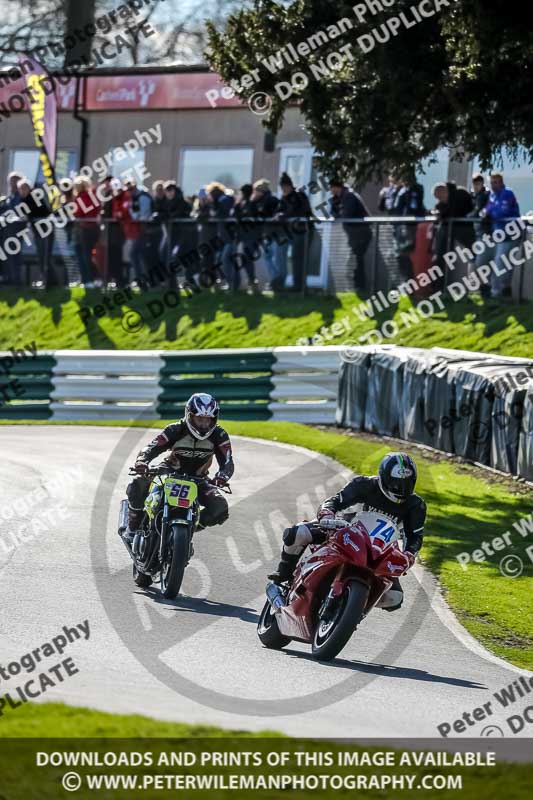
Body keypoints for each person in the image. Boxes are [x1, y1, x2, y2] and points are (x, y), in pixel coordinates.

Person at [268, 452, 425, 611]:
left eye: (407, 484)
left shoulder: (415, 505)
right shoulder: (364, 485)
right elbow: (333, 502)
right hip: (342, 532)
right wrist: (327, 515)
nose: (400, 490)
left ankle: (353, 609)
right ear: (383, 477)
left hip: (379, 550)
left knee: (394, 598)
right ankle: (282, 578)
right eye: (395, 484)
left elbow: (415, 537)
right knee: (298, 533)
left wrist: (409, 555)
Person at [124, 393, 234, 546]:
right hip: (167, 472)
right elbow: (151, 448)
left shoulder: (219, 435)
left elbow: (228, 461)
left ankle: (188, 530)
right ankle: (132, 528)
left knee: (220, 508)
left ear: (214, 419)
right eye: (199, 418)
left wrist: (222, 476)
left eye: (207, 419)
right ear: (189, 415)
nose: (203, 424)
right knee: (137, 485)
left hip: (198, 479)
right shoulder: (175, 429)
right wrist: (142, 461)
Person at [482, 173, 521, 299]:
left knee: (500, 264)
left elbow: (503, 211)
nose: (494, 185)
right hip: (499, 235)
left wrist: (489, 214)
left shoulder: (507, 193)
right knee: (500, 263)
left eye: (496, 182)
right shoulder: (492, 195)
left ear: (502, 182)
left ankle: (496, 294)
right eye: (492, 182)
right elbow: (486, 210)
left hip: (511, 234)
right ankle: (505, 291)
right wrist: (486, 212)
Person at [329, 178, 372, 291]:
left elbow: (347, 215)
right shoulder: (339, 198)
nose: (330, 190)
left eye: (331, 187)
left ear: (336, 187)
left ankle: (358, 286)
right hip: (353, 234)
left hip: (361, 233)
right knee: (355, 259)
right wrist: (334, 204)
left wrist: (338, 215)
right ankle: (357, 286)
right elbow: (334, 213)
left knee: (355, 259)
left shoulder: (349, 196)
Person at [275, 172, 313, 292]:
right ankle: (294, 285)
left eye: (285, 187)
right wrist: (279, 214)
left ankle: (300, 286)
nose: (284, 189)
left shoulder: (299, 195)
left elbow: (300, 211)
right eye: (282, 187)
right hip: (291, 232)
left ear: (290, 186)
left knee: (299, 258)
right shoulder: (284, 198)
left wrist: (283, 215)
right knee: (292, 258)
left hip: (303, 231)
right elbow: (279, 211)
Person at [432, 181, 474, 283]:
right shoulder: (447, 200)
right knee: (441, 256)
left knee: (474, 254)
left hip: (465, 229)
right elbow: (440, 208)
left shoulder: (460, 194)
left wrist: (441, 214)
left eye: (440, 197)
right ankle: (439, 285)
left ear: (444, 192)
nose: (440, 200)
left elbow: (453, 212)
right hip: (454, 229)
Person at [206, 182, 236, 290]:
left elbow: (221, 214)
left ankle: (230, 283)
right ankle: (221, 282)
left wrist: (214, 205)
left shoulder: (225, 200)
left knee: (225, 259)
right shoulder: (220, 201)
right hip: (221, 237)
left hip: (230, 237)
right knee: (218, 259)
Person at [250, 179, 279, 285]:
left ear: (261, 191)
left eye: (255, 191)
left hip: (272, 234)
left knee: (273, 257)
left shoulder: (271, 200)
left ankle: (277, 280)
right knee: (268, 257)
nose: (254, 194)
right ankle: (274, 280)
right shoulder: (257, 202)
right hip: (264, 233)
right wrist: (252, 202)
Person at [467, 172, 491, 296]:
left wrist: (467, 217)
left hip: (483, 233)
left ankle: (484, 288)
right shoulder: (472, 196)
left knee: (480, 262)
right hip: (474, 233)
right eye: (474, 184)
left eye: (478, 184)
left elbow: (478, 212)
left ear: (482, 183)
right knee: (472, 261)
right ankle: (473, 289)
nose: (476, 186)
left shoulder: (485, 195)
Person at [233, 183, 260, 291]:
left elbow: (251, 217)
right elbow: (237, 216)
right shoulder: (242, 204)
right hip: (243, 236)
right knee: (243, 259)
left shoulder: (252, 204)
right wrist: (237, 206)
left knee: (247, 258)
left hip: (251, 236)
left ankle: (252, 281)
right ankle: (250, 280)